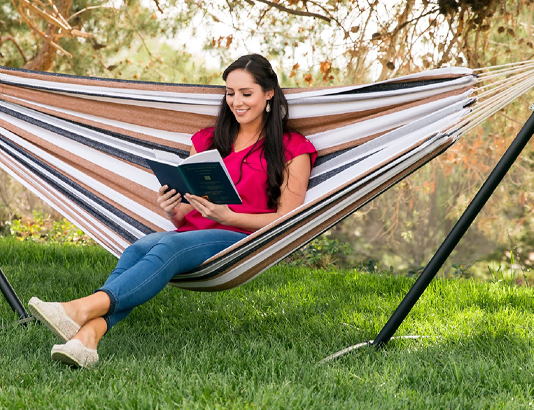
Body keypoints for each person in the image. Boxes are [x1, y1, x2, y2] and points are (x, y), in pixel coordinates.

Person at [28, 54, 318, 368]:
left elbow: (287, 218)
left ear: (269, 93)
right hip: (190, 235)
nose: (237, 102)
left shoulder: (293, 148)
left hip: (241, 239)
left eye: (246, 94)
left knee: (167, 244)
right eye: (230, 93)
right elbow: (187, 210)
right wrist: (172, 209)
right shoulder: (208, 140)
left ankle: (80, 310)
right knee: (138, 248)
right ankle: (87, 338)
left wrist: (229, 217)